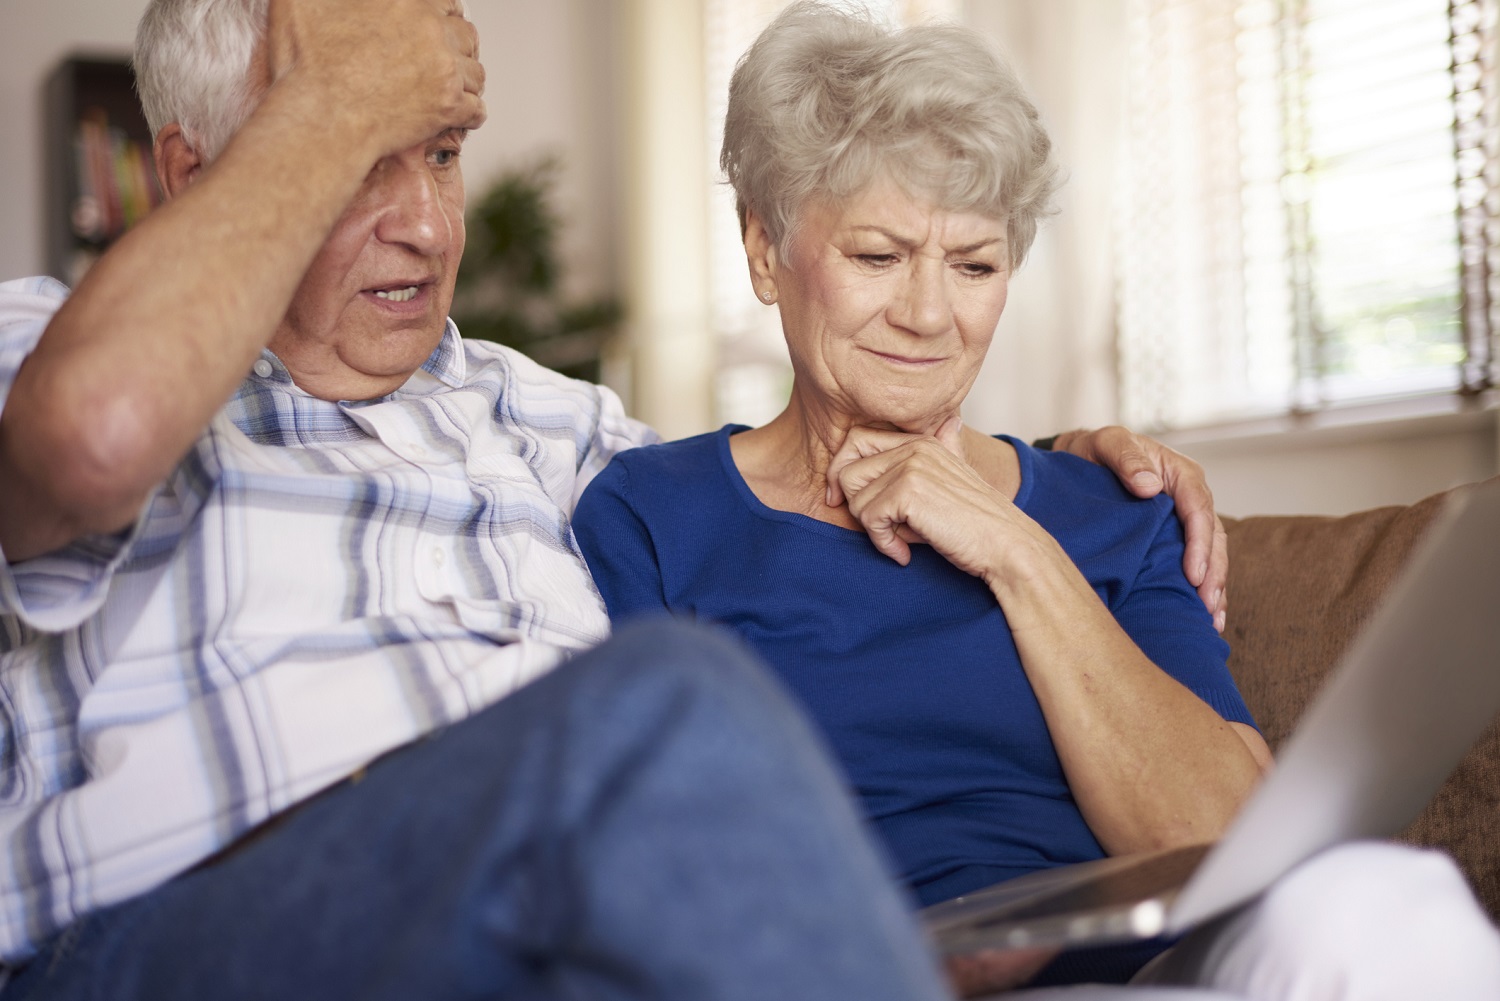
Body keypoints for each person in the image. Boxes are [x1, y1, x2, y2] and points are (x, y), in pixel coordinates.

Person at [0, 0, 1241, 997]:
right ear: (194, 171)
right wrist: (330, 90)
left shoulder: (543, 421)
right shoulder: (47, 349)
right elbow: (95, 435)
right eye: (358, 163)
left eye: (439, 155)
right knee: (668, 704)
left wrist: (1056, 470)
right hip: (184, 927)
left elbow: (790, 483)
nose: (431, 227)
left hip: (544, 919)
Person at [570, 3, 1500, 997]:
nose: (929, 313)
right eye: (878, 256)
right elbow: (639, 857)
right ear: (765, 250)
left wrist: (1015, 548)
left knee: (1380, 899)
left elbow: (1226, 840)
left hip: (1149, 976)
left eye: (974, 264)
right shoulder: (653, 514)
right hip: (852, 975)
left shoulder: (1111, 504)